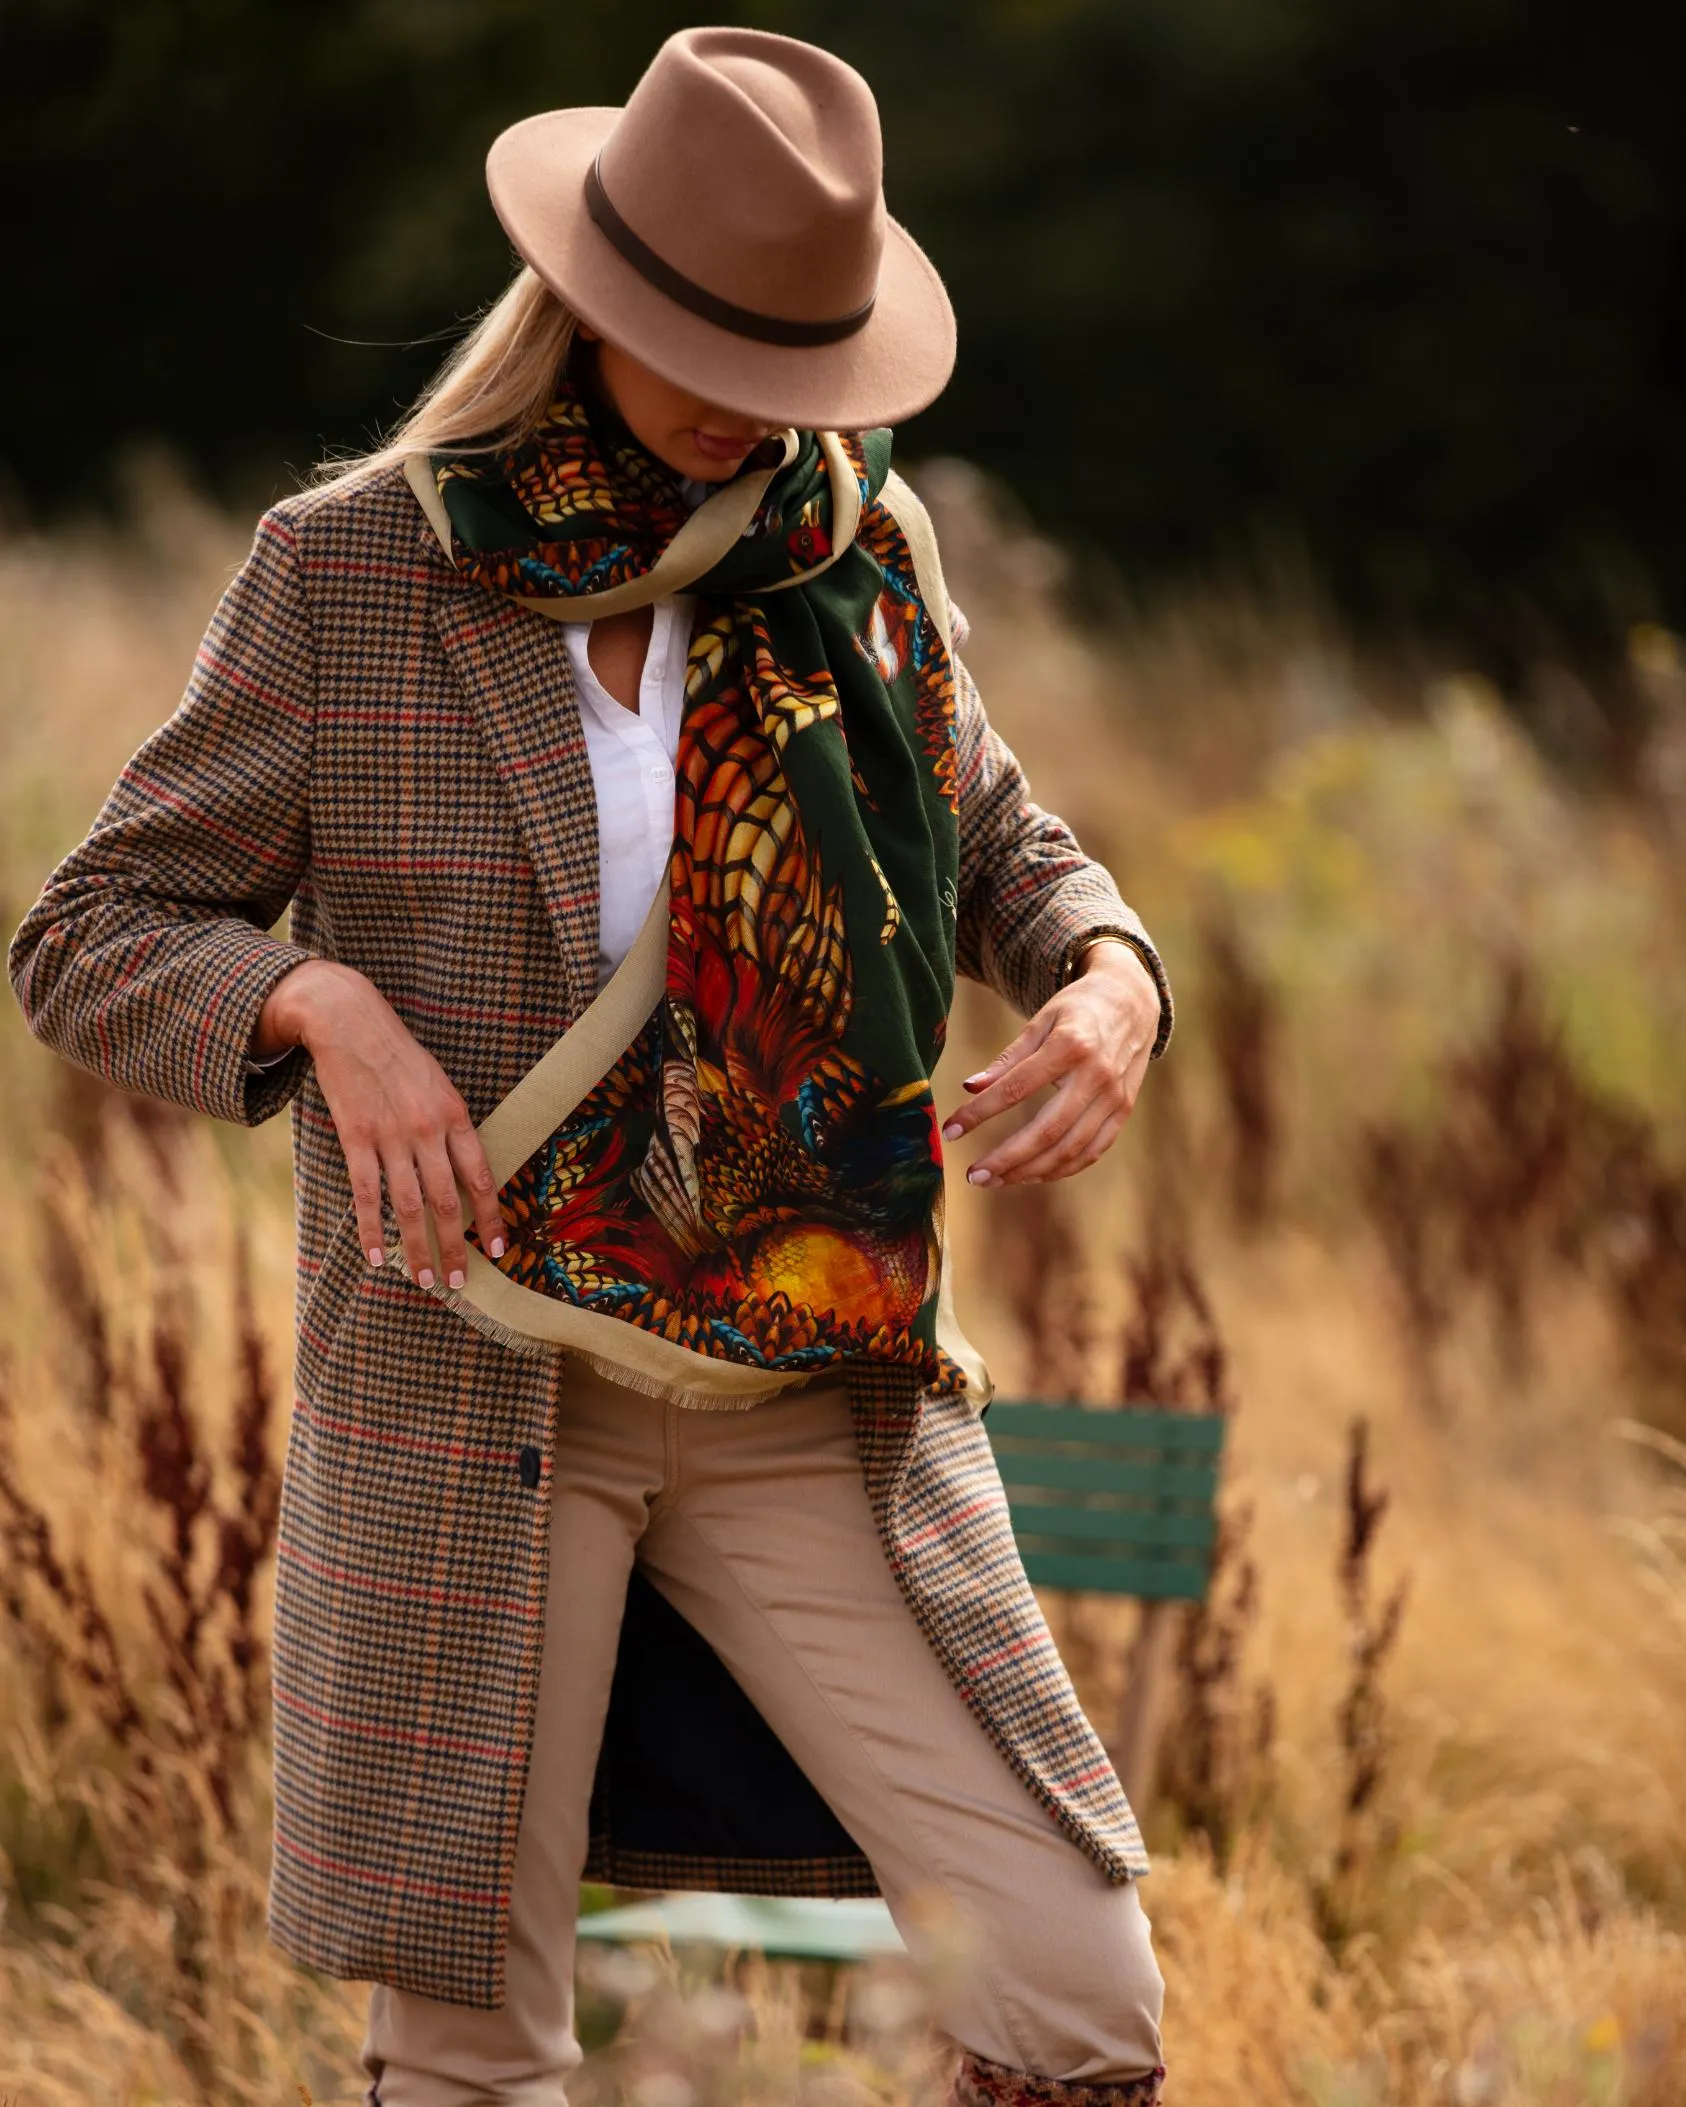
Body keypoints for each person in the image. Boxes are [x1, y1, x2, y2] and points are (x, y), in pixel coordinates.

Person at [8, 26, 1176, 2107]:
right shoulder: (350, 572)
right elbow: (87, 934)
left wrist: (1105, 977)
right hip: (478, 1386)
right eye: (701, 341)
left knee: (1075, 1996)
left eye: (794, 362)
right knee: (473, 2052)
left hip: (809, 1382)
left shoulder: (852, 556)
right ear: (584, 300)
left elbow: (1006, 845)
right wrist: (320, 1009)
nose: (750, 406)